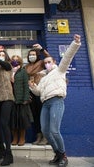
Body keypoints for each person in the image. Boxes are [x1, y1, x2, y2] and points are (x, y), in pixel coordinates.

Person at [29, 34, 81, 167]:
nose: (47, 64)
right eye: (45, 63)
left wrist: (75, 43)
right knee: (45, 130)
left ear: (54, 63)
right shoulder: (43, 78)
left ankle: (63, 155)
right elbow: (39, 92)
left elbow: (68, 57)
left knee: (54, 130)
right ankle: (57, 154)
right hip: (45, 103)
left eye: (49, 62)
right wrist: (33, 87)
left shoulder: (60, 71)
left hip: (56, 101)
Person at [24, 44, 51, 145]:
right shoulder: (26, 66)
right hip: (31, 91)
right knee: (35, 115)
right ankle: (38, 135)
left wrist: (42, 49)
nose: (32, 56)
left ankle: (45, 137)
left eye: (33, 54)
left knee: (42, 114)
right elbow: (25, 79)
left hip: (40, 91)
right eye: (30, 54)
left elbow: (49, 59)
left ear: (37, 55)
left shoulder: (41, 63)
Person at [10, 55, 33, 146]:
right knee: (12, 120)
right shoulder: (8, 71)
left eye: (17, 60)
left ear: (20, 62)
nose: (15, 62)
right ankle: (15, 138)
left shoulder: (23, 71)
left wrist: (26, 98)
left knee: (22, 120)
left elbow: (26, 86)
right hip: (11, 99)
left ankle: (22, 138)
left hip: (21, 100)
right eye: (13, 60)